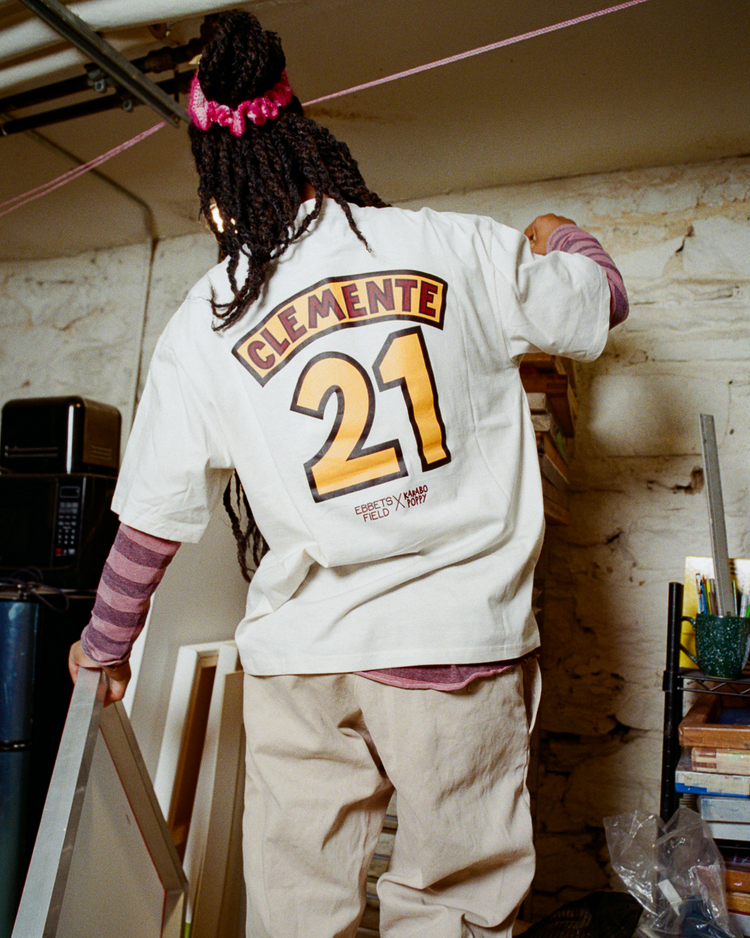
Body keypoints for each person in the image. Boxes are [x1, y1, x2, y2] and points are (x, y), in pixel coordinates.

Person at [69, 9, 628, 938]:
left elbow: (152, 522)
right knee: (453, 903)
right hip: (455, 641)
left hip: (304, 653)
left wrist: (107, 648)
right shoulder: (457, 247)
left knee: (296, 908)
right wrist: (562, 234)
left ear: (221, 181)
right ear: (307, 142)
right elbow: (602, 304)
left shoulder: (207, 315)